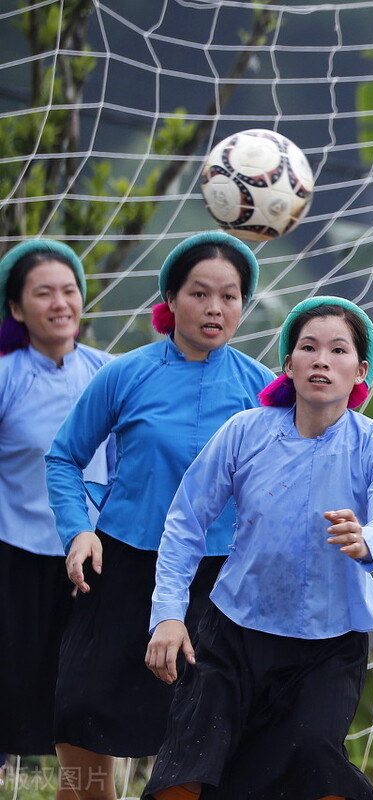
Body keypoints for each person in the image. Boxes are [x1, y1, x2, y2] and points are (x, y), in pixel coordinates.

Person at [141, 297, 373, 800]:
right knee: (186, 772)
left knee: (314, 760)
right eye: (308, 348)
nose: (322, 360)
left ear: (361, 372)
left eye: (338, 350)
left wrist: (367, 539)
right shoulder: (245, 431)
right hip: (232, 633)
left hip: (330, 645)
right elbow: (186, 521)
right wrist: (168, 614)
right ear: (288, 365)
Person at [45, 231, 275, 800]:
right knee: (81, 708)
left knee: (195, 731)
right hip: (120, 564)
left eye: (229, 297)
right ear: (171, 299)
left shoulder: (262, 389)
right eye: (200, 294)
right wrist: (78, 531)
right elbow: (64, 458)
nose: (215, 309)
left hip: (214, 578)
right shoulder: (127, 374)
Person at [0, 241, 112, 767]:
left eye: (69, 290)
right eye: (44, 293)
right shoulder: (7, 376)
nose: (60, 302)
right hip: (13, 558)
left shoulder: (111, 373)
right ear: (18, 309)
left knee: (84, 707)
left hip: (91, 560)